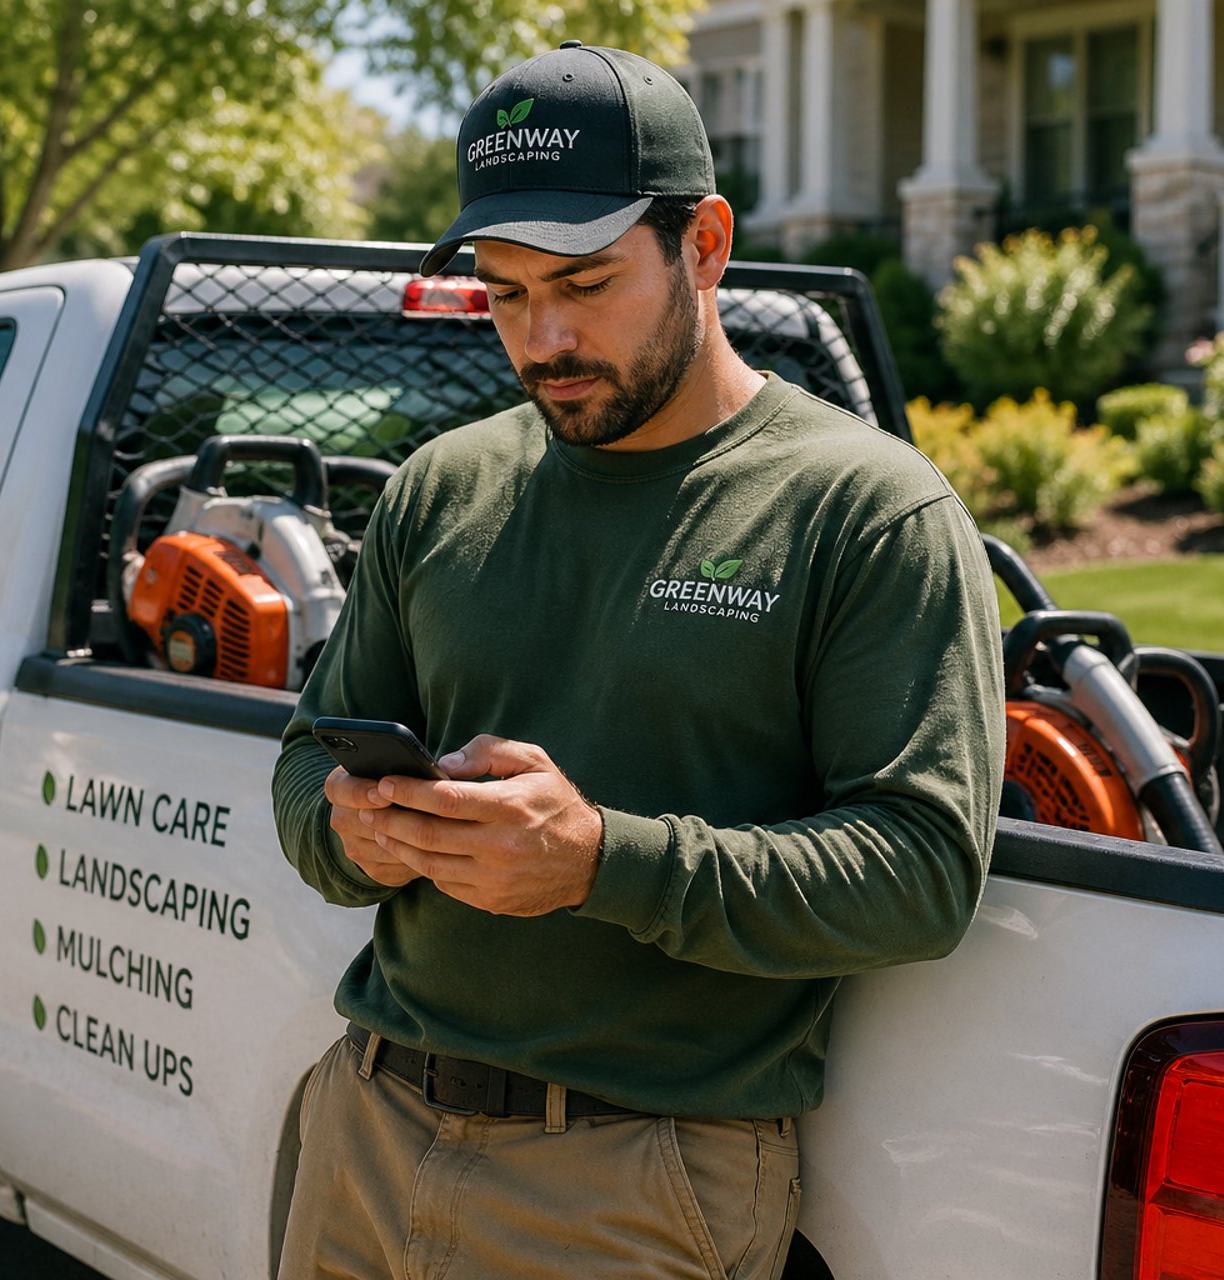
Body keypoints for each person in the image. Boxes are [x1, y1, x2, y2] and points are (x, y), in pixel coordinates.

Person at [269, 39, 1004, 1280]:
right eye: (504, 293)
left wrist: (600, 861)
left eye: (585, 281)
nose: (543, 336)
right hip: (367, 1125)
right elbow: (306, 766)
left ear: (705, 244)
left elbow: (923, 871)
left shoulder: (865, 508)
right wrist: (358, 831)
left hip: (638, 1180)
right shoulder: (444, 486)